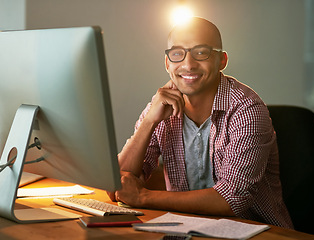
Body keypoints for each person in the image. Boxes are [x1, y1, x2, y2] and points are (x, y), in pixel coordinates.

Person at [108, 17, 293, 229]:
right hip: (187, 230)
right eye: (178, 53)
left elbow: (232, 199)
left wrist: (143, 197)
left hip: (256, 233)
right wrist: (149, 120)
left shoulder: (247, 110)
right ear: (168, 63)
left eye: (201, 52)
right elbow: (116, 183)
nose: (188, 64)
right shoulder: (162, 105)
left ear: (221, 60)